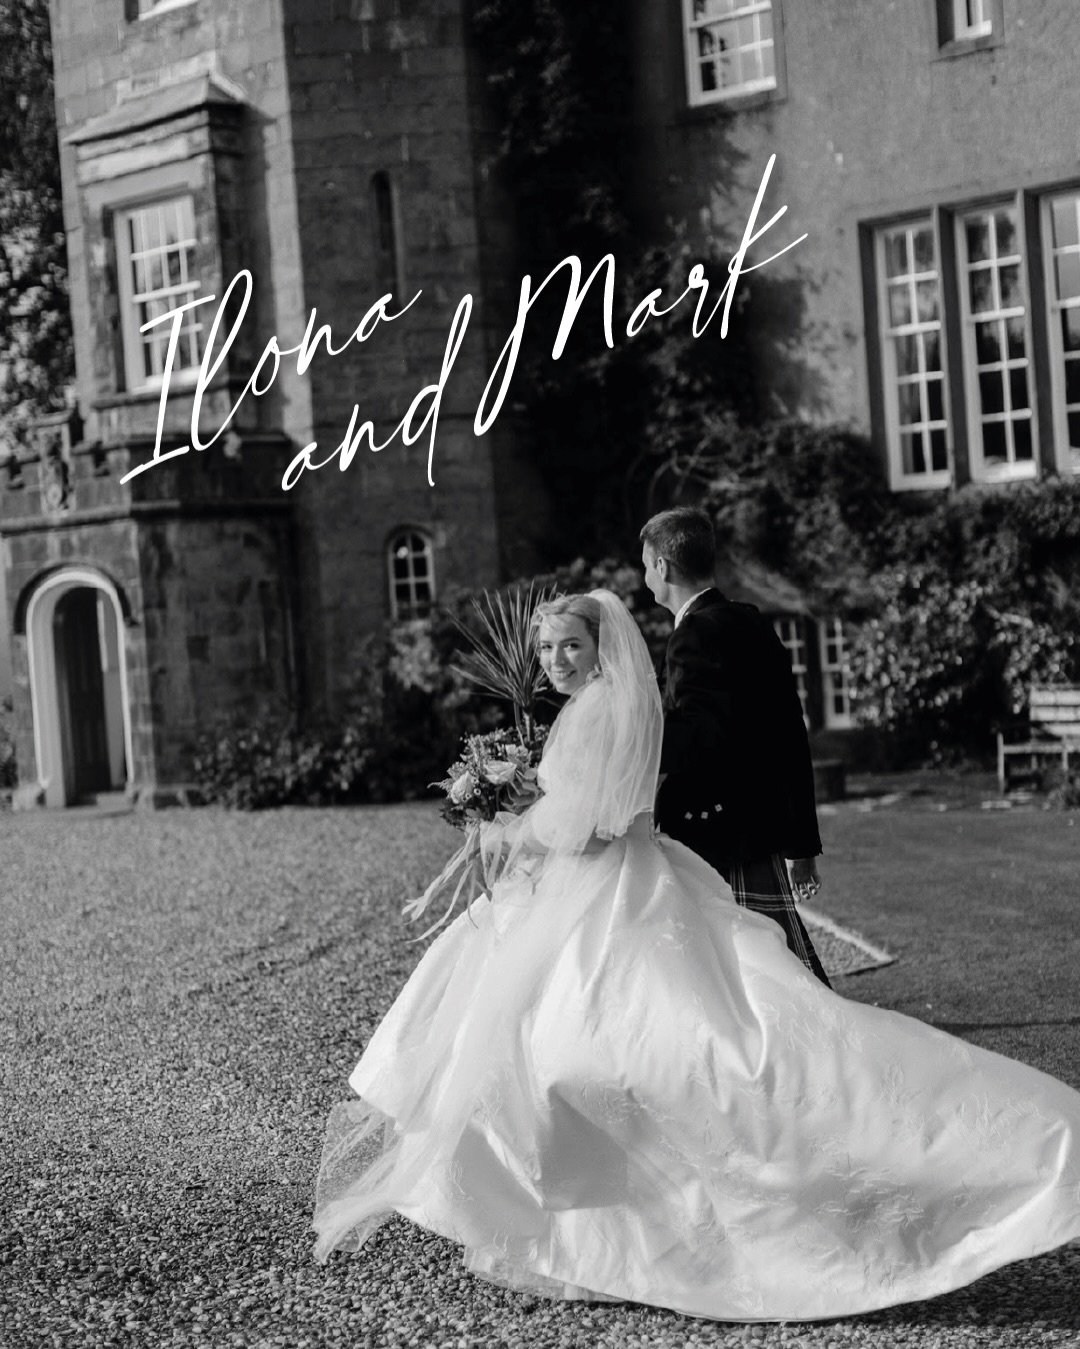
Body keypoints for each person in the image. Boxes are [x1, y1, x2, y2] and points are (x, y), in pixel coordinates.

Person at [313, 590, 1080, 1323]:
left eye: (570, 645)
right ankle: (584, 1239)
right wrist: (513, 809)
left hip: (612, 891)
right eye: (548, 648)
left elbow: (605, 823)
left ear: (600, 645)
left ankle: (1000, 1147)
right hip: (585, 891)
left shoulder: (608, 707)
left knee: (651, 1053)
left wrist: (511, 825)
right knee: (546, 1053)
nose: (556, 660)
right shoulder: (584, 707)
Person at [642, 507, 831, 985]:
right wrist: (799, 842)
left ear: (662, 566)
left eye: (646, 565)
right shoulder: (749, 620)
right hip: (758, 829)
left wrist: (632, 743)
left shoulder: (694, 635)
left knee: (740, 978)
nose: (645, 577)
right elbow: (789, 732)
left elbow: (700, 738)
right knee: (773, 973)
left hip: (716, 836)